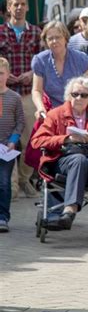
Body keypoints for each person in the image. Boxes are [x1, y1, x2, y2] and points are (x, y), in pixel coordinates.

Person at [31, 77, 88, 230]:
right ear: (68, 95)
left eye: (84, 95)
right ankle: (69, 210)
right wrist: (65, 139)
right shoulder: (55, 114)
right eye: (75, 94)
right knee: (79, 159)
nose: (79, 98)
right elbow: (37, 140)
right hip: (63, 161)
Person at [0, 0, 41, 198]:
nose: (18, 7)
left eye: (22, 4)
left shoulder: (35, 32)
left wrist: (31, 73)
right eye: (14, 4)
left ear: (27, 7)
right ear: (8, 7)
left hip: (27, 93)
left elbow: (42, 62)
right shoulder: (0, 32)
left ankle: (25, 178)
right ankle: (12, 185)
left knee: (31, 140)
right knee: (6, 139)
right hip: (4, 93)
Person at [31, 21, 88, 116]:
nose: (54, 41)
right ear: (46, 41)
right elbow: (37, 90)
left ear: (65, 38)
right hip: (53, 113)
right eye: (50, 38)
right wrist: (40, 108)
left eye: (58, 37)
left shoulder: (80, 58)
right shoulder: (40, 60)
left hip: (80, 112)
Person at [0, 57, 25, 232]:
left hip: (6, 149)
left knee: (4, 183)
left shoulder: (14, 98)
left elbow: (20, 122)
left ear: (8, 74)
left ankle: (3, 217)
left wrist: (13, 140)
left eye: (1, 73)